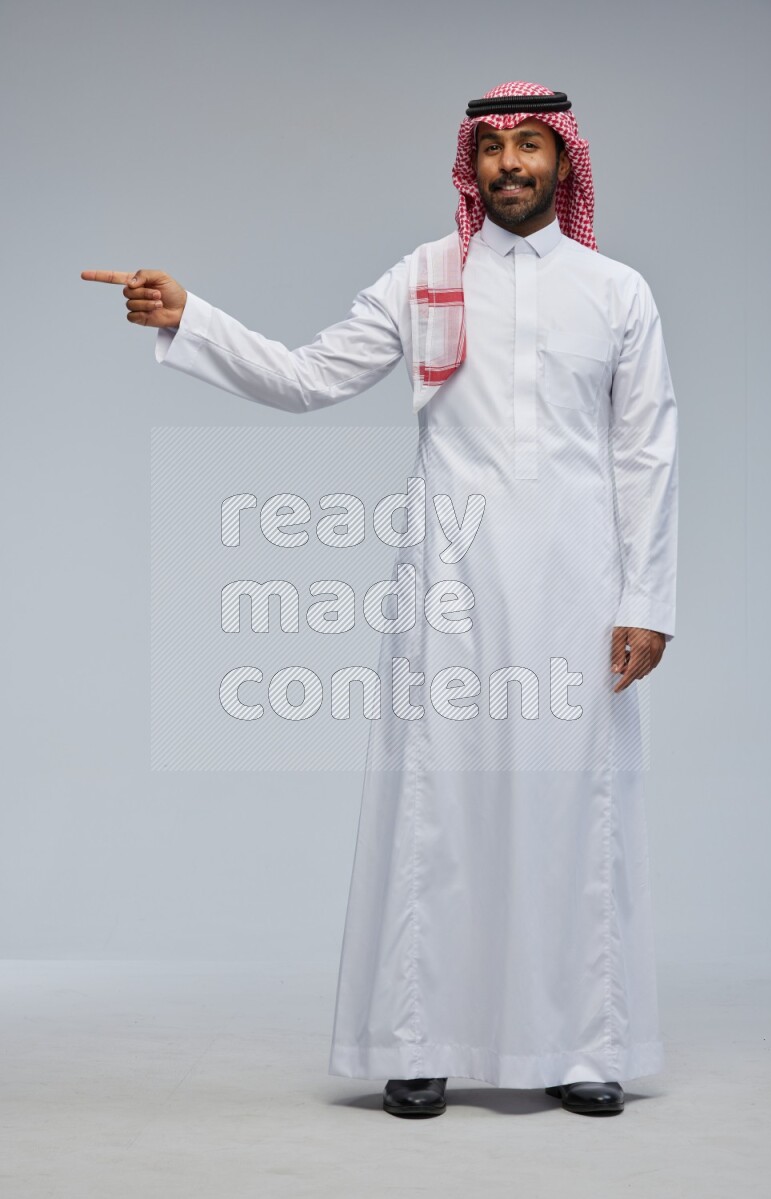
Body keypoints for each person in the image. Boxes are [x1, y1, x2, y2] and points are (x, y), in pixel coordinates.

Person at [81, 80, 678, 1120]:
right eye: (492, 148)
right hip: (449, 586)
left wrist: (647, 598)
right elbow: (308, 376)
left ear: (562, 161)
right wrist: (192, 317)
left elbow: (648, 449)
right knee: (439, 806)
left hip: (578, 591)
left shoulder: (616, 291)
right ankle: (420, 1039)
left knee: (571, 805)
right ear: (470, 164)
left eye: (530, 146)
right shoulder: (425, 275)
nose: (510, 164)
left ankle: (583, 1043)